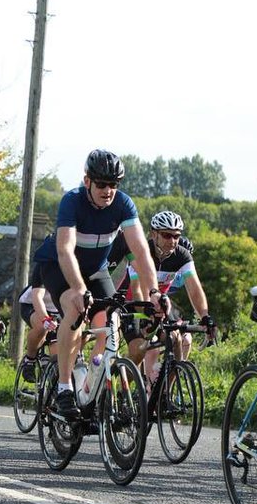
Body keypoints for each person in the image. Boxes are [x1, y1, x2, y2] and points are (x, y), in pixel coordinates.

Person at [34, 149, 166, 421]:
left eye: (114, 184)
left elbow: (141, 252)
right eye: (102, 184)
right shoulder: (72, 201)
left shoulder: (124, 204)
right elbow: (65, 250)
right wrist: (79, 289)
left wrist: (154, 291)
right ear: (87, 181)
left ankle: (90, 386)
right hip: (60, 266)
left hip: (95, 269)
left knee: (111, 321)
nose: (108, 191)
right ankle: (64, 387)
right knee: (75, 308)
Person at [122, 211, 216, 384]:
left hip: (159, 305)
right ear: (154, 234)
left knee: (175, 339)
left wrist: (204, 316)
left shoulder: (182, 255)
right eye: (166, 235)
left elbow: (194, 288)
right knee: (138, 350)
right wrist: (147, 314)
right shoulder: (141, 252)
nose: (172, 241)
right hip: (134, 304)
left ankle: (166, 392)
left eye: (176, 236)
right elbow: (137, 289)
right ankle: (122, 392)